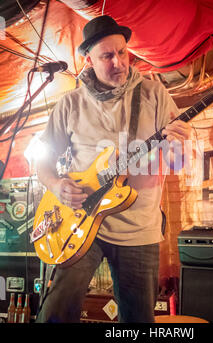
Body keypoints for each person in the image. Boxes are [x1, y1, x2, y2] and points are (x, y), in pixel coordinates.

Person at [35, 15, 191, 323]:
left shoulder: (153, 94)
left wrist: (178, 146)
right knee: (54, 313)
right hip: (81, 224)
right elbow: (42, 160)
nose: (118, 62)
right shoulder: (69, 104)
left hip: (139, 228)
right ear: (89, 60)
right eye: (107, 56)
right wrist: (56, 186)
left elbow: (177, 164)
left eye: (122, 52)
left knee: (138, 320)